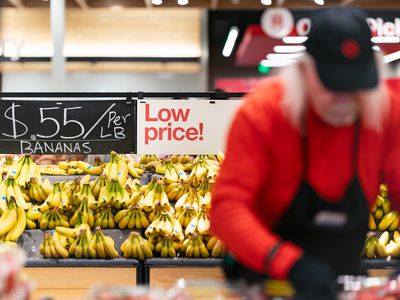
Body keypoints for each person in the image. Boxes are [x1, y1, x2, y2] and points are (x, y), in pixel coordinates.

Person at [210, 7, 400, 299]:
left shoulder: (386, 113)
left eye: (356, 87)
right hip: (265, 277)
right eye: (332, 85)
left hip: (342, 277)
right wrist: (290, 264)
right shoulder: (263, 115)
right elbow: (228, 209)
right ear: (303, 70)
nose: (344, 100)